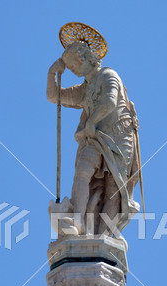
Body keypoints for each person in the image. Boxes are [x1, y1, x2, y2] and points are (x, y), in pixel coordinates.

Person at [47, 41, 140, 236]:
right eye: (70, 67)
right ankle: (77, 220)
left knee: (114, 187)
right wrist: (52, 74)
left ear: (86, 58)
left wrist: (92, 121)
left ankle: (104, 234)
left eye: (73, 64)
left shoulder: (108, 75)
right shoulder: (84, 89)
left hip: (119, 136)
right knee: (82, 170)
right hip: (95, 138)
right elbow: (54, 96)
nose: (72, 69)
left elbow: (110, 101)